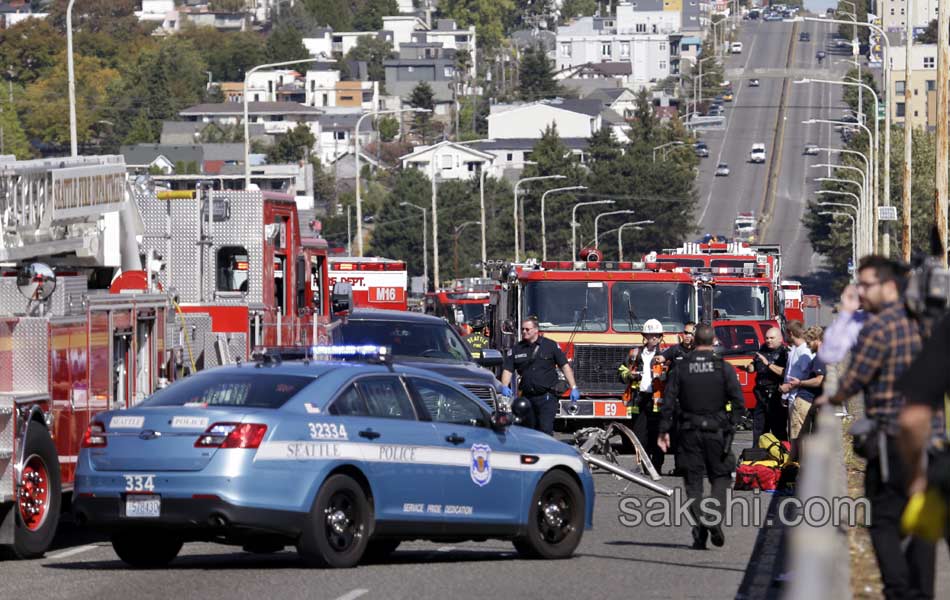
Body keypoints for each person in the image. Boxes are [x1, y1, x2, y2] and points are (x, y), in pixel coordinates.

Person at [815, 255, 931, 600]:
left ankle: (898, 591)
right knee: (921, 519)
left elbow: (852, 375)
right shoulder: (923, 320)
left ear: (889, 286)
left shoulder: (880, 327)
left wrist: (833, 399)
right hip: (929, 437)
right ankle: (920, 591)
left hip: (893, 439)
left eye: (865, 285)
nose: (859, 291)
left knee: (882, 519)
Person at [658, 324, 745, 550]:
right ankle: (712, 518)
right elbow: (738, 402)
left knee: (693, 483)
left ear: (694, 340)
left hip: (688, 431)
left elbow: (668, 401)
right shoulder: (723, 368)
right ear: (714, 340)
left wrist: (663, 431)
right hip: (716, 431)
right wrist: (732, 424)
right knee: (722, 477)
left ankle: (699, 528)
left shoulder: (682, 367)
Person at [500, 317, 580, 435]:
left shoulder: (550, 346)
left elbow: (565, 367)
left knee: (545, 430)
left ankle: (546, 453)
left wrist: (573, 387)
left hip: (546, 397)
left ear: (536, 330)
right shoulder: (517, 348)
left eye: (527, 329)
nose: (524, 332)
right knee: (527, 431)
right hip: (527, 397)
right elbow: (508, 370)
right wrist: (504, 386)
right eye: (522, 329)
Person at [618, 318, 667, 473]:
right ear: (644, 336)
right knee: (639, 435)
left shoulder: (665, 354)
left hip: (658, 400)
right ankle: (643, 465)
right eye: (649, 335)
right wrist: (630, 375)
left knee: (657, 435)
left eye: (656, 335)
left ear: (660, 337)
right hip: (639, 399)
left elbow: (674, 376)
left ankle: (656, 466)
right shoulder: (635, 353)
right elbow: (621, 370)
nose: (653, 338)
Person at [787, 326, 826, 458]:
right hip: (810, 401)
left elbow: (819, 380)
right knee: (802, 436)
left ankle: (798, 468)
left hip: (804, 399)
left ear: (817, 340)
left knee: (799, 437)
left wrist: (800, 383)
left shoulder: (820, 357)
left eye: (809, 343)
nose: (808, 347)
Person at [746, 327, 788, 445]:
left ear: (780, 339)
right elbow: (754, 364)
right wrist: (750, 367)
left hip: (776, 396)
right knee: (759, 431)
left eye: (772, 338)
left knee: (778, 431)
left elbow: (784, 372)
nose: (768, 340)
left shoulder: (784, 353)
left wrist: (768, 364)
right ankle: (757, 457)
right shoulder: (763, 349)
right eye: (767, 338)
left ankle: (782, 456)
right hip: (761, 396)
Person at [780, 320, 813, 435]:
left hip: (799, 398)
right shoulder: (794, 349)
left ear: (790, 333)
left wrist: (789, 387)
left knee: (798, 435)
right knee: (792, 433)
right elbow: (790, 373)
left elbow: (807, 375)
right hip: (791, 397)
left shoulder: (804, 351)